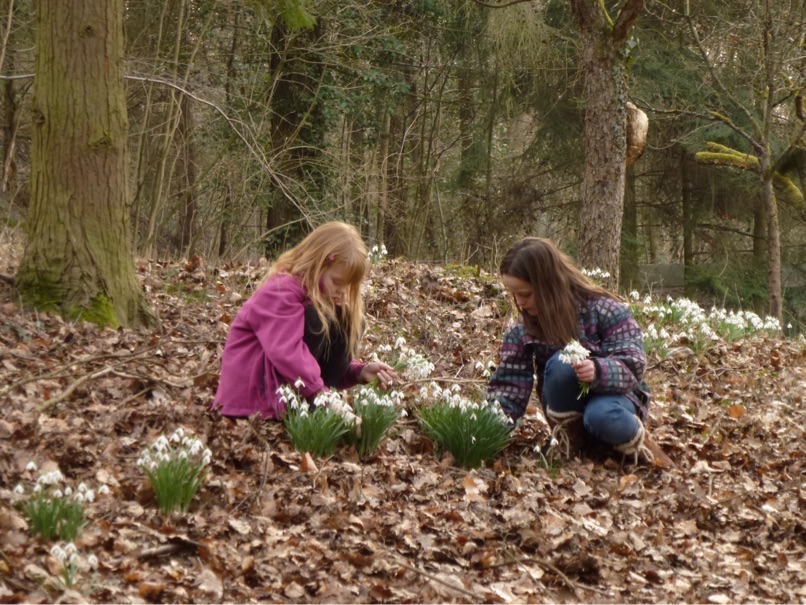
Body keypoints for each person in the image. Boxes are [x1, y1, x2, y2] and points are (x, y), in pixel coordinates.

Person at [486, 237, 672, 467]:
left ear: (548, 285)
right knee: (561, 365)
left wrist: (598, 370)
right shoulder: (523, 330)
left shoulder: (604, 309)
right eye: (514, 294)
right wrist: (486, 431)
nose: (519, 302)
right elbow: (509, 388)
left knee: (599, 413)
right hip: (565, 406)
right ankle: (571, 441)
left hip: (615, 399)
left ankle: (634, 443)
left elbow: (634, 364)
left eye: (525, 294)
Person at [213, 222, 397, 419]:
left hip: (281, 391)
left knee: (346, 319)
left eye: (348, 285)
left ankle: (317, 410)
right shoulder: (279, 292)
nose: (343, 291)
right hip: (251, 402)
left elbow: (322, 357)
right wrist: (327, 400)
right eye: (337, 281)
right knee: (318, 320)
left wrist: (358, 372)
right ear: (318, 264)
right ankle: (318, 405)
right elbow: (289, 354)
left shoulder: (315, 296)